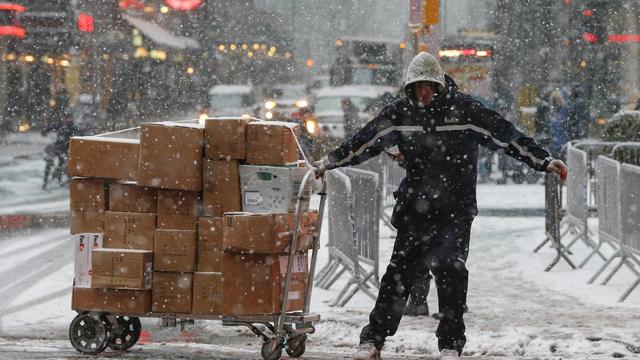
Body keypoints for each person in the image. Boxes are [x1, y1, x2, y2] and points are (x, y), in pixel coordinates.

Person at [314, 52, 567, 360]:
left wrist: (543, 160)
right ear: (409, 88)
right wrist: (329, 162)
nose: (424, 93)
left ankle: (450, 343)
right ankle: (373, 340)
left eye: (429, 86)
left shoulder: (464, 111)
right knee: (399, 272)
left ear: (440, 84)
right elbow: (365, 141)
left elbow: (505, 136)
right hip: (415, 206)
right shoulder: (402, 114)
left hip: (456, 208)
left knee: (450, 268)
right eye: (417, 87)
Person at [42, 109, 79, 189]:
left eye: (66, 117)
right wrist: (45, 130)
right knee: (50, 161)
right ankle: (46, 181)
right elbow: (51, 127)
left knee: (63, 163)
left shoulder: (72, 126)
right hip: (58, 147)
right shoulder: (60, 124)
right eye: (63, 117)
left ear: (69, 118)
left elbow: (76, 136)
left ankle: (60, 179)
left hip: (66, 148)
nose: (64, 119)